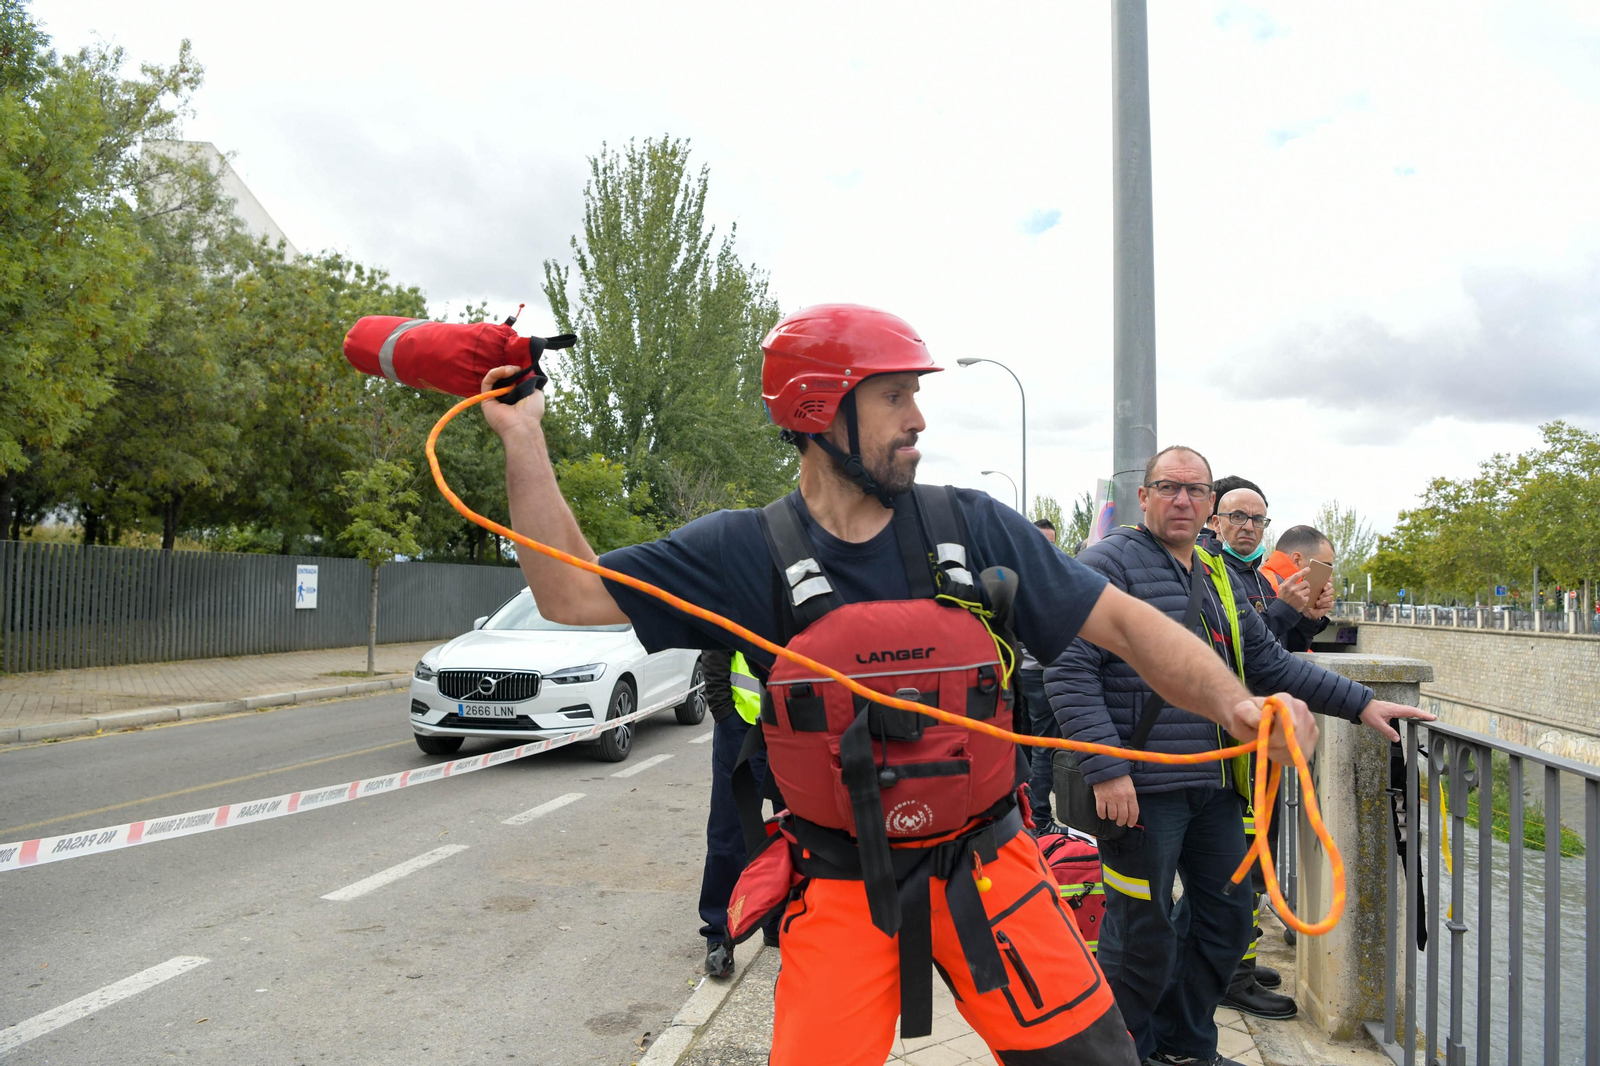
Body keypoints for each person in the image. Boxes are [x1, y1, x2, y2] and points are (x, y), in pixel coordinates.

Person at [478, 304, 1325, 1066]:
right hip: (842, 884)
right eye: (893, 397)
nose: (919, 419)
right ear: (818, 410)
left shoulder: (972, 524)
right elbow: (570, 591)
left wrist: (1241, 706)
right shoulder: (740, 551)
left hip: (995, 867)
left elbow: (1129, 626)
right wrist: (524, 438)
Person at [1046, 445, 1434, 1066]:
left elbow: (1271, 664)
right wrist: (1108, 769)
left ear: (1208, 507)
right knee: (1138, 936)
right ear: (1143, 497)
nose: (1182, 499)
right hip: (1142, 791)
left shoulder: (1216, 573)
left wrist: (1362, 704)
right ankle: (1123, 1055)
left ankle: (1184, 1049)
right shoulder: (1105, 564)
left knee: (1225, 924)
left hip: (1218, 786)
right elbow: (1067, 669)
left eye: (1195, 490)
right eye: (1168, 487)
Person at [1195, 478, 1304, 1019]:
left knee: (1253, 863)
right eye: (1236, 517)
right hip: (1232, 749)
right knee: (1240, 866)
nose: (1246, 528)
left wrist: (1307, 615)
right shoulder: (1212, 575)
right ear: (1215, 521)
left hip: (1259, 746)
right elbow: (1243, 651)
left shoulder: (1254, 576)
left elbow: (1276, 652)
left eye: (1256, 520)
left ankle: (1237, 959)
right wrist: (1284, 612)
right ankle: (1232, 974)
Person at [697, 649, 777, 978]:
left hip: (798, 727)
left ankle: (778, 922)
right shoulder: (741, 594)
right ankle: (719, 935)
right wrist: (723, 711)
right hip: (742, 726)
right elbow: (714, 645)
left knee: (796, 829)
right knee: (729, 831)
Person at [1020, 517, 1065, 831]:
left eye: (1051, 542)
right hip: (1035, 674)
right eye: (1040, 541)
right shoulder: (1039, 579)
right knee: (1042, 747)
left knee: (1029, 746)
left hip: (1029, 672)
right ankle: (1038, 818)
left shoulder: (1026, 573)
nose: (1046, 548)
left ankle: (1023, 815)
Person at [1261, 525, 1336, 651]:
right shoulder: (1272, 589)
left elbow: (1286, 648)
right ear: (1297, 561)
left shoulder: (1261, 580)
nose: (1330, 579)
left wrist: (1309, 618)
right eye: (1325, 568)